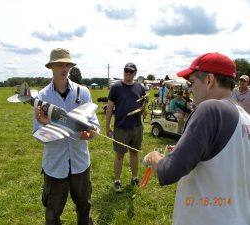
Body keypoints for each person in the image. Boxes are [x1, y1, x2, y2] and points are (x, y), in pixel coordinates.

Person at [144, 52, 250, 225]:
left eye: (192, 83)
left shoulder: (210, 109)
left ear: (209, 80)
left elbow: (168, 172)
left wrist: (153, 157)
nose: (190, 89)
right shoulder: (245, 117)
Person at [33, 48, 100, 225]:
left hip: (80, 163)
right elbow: (37, 135)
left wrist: (91, 133)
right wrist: (45, 125)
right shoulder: (42, 96)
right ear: (51, 67)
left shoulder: (83, 92)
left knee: (84, 207)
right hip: (55, 165)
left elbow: (95, 124)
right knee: (53, 213)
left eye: (67, 65)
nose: (64, 69)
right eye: (59, 65)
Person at [106, 62, 146, 193]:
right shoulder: (116, 87)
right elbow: (110, 107)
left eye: (131, 71)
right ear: (123, 71)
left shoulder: (140, 88)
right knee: (119, 155)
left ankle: (135, 178)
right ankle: (117, 181)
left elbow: (143, 107)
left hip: (136, 127)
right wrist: (107, 126)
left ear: (135, 73)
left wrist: (144, 111)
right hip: (121, 127)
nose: (128, 73)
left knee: (134, 154)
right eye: (126, 70)